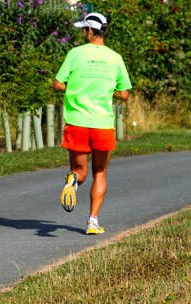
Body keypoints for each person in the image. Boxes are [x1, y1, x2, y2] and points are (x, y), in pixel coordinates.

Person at [53, 12, 131, 235]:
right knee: (100, 172)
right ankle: (92, 222)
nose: (82, 33)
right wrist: (108, 92)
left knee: (80, 170)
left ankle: (73, 180)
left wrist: (75, 90)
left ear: (89, 31)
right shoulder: (115, 58)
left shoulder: (75, 54)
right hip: (102, 124)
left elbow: (58, 83)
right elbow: (124, 94)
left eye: (83, 30)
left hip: (77, 121)